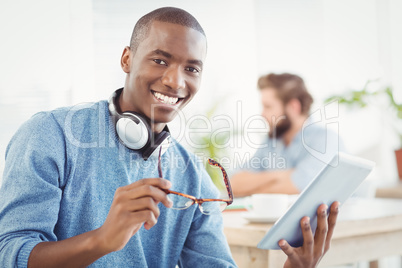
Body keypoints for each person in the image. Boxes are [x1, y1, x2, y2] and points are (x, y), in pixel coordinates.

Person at [0, 7, 339, 268]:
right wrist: (102, 240)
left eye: (191, 68)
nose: (176, 82)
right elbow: (10, 254)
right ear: (127, 59)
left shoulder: (193, 178)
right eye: (160, 60)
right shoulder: (50, 134)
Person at [231, 73, 345, 197]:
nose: (262, 114)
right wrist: (282, 176)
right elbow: (233, 184)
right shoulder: (270, 142)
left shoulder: (325, 139)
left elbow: (298, 186)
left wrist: (256, 185)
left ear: (293, 107)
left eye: (268, 107)